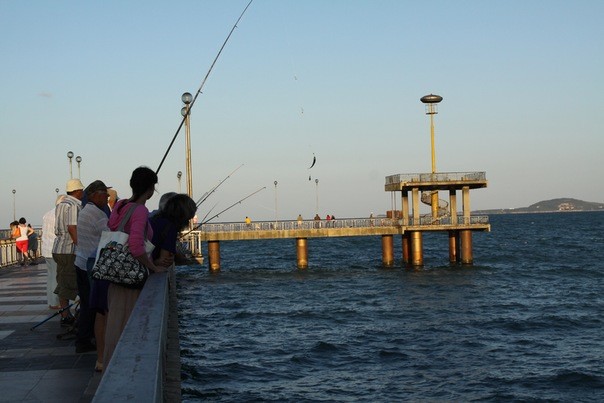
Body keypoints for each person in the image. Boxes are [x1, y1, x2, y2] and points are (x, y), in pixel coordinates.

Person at [103, 166, 169, 367]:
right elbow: (135, 246)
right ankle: (126, 367)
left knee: (115, 324)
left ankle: (111, 365)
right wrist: (153, 266)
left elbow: (116, 230)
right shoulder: (140, 210)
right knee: (129, 325)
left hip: (115, 274)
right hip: (131, 278)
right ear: (150, 190)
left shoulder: (120, 206)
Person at [74, 180, 111, 356]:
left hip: (80, 262)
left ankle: (84, 338)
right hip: (90, 264)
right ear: (95, 194)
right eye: (105, 194)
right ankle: (85, 340)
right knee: (93, 306)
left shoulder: (85, 211)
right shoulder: (98, 214)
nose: (108, 197)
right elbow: (110, 236)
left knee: (87, 303)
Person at [53, 178, 85, 327]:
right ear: (78, 191)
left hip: (58, 249)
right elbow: (72, 228)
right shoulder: (73, 205)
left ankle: (66, 314)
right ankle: (66, 316)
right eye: (82, 190)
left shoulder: (61, 204)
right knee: (69, 283)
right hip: (68, 250)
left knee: (62, 281)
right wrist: (81, 246)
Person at [149, 194, 197, 267]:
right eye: (189, 218)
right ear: (183, 216)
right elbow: (164, 260)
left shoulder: (154, 219)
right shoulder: (170, 228)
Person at [42, 196, 64, 309]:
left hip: (46, 249)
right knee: (56, 277)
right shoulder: (60, 214)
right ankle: (56, 302)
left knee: (50, 276)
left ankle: (51, 301)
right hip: (56, 249)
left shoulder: (47, 214)